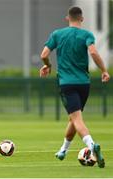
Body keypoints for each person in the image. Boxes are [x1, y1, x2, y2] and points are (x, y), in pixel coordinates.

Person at [40, 6, 110, 168]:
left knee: (77, 118)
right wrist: (104, 70)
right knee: (74, 117)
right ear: (82, 19)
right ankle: (63, 150)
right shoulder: (87, 35)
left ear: (67, 18)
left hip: (67, 82)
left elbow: (44, 54)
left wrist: (48, 65)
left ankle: (92, 146)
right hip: (84, 83)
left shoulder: (57, 34)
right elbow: (93, 52)